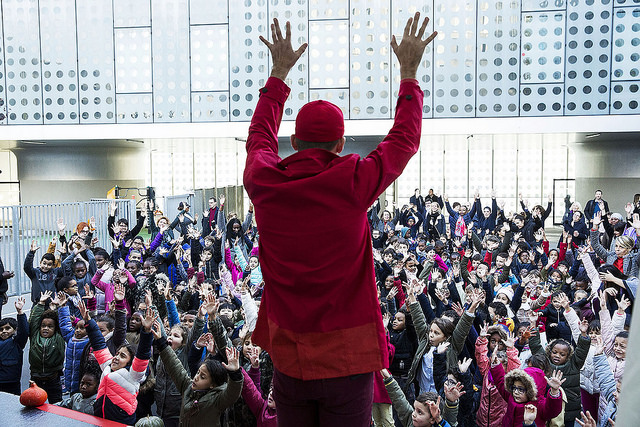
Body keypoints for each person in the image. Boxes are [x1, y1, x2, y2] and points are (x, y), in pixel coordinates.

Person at [243, 13, 437, 425]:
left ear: (293, 142)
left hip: (288, 359)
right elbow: (404, 138)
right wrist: (408, 73)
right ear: (339, 143)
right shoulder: (353, 181)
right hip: (348, 360)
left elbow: (259, 136)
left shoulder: (263, 180)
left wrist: (278, 75)